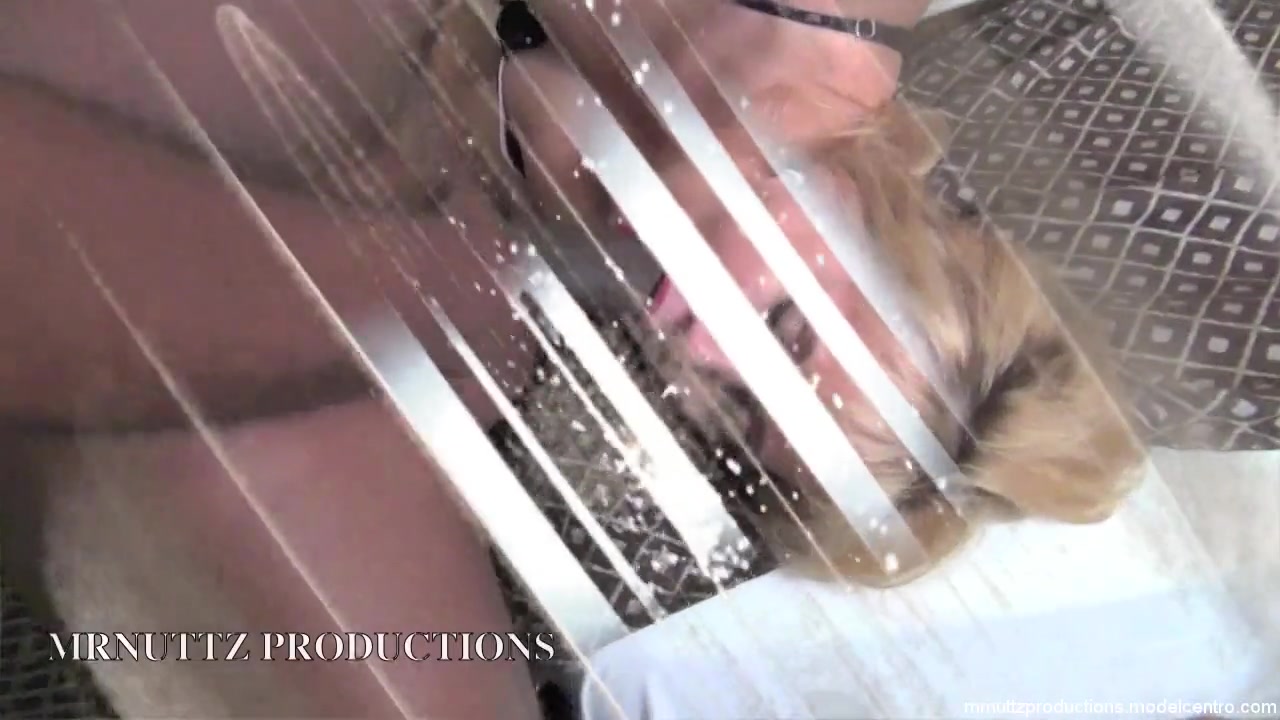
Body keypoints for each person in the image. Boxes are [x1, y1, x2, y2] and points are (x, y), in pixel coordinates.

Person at [0, 0, 940, 717]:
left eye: (732, 412)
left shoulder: (505, 315)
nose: (701, 355)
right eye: (787, 331)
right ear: (863, 209)